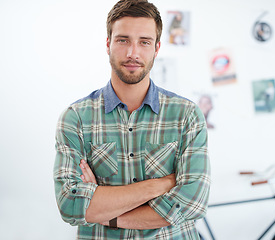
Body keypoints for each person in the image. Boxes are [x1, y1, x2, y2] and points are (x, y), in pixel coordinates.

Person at [53, 0, 210, 239]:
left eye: (144, 42)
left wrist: (108, 214)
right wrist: (158, 186)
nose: (132, 53)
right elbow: (70, 205)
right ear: (108, 44)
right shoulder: (76, 118)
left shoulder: (186, 115)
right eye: (122, 40)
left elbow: (192, 203)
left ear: (157, 48)